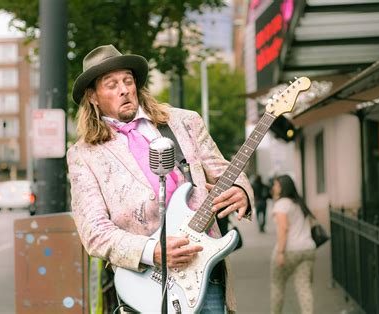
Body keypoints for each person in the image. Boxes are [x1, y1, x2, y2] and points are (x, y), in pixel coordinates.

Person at [67, 44, 254, 313]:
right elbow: (94, 232)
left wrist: (242, 190)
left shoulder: (184, 122)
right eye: (111, 84)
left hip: (205, 269)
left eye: (127, 81)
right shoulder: (83, 155)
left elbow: (223, 170)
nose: (123, 89)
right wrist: (150, 251)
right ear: (93, 97)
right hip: (146, 285)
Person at [270, 174, 316, 314]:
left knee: (277, 286)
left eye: (276, 185)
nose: (273, 188)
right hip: (307, 249)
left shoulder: (281, 204)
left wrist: (280, 252)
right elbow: (311, 224)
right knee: (304, 287)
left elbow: (283, 229)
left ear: (282, 187)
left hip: (289, 251)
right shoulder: (299, 203)